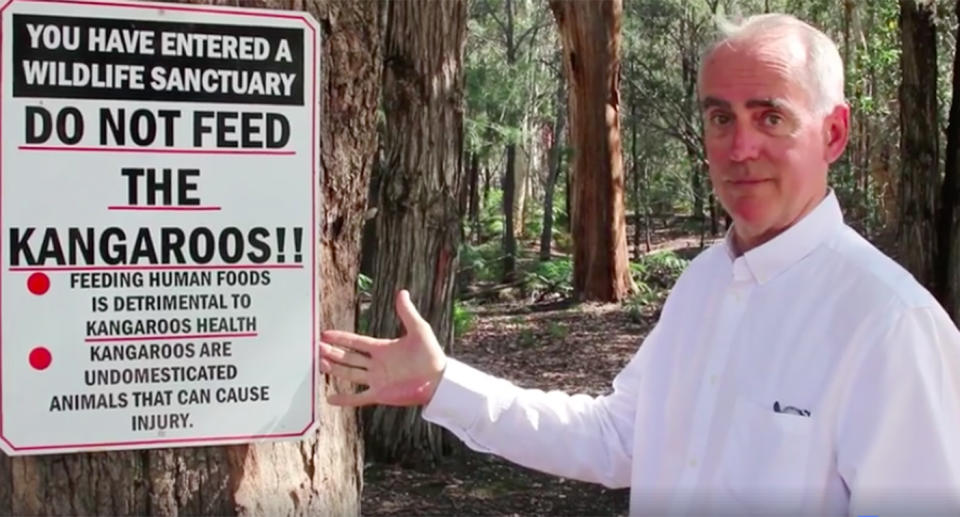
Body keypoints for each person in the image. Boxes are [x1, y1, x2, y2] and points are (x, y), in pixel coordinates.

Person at [319, 13, 960, 517]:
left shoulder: (889, 324)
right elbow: (620, 439)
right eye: (720, 117)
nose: (740, 148)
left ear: (835, 134)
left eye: (771, 116)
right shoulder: (705, 282)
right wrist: (442, 384)